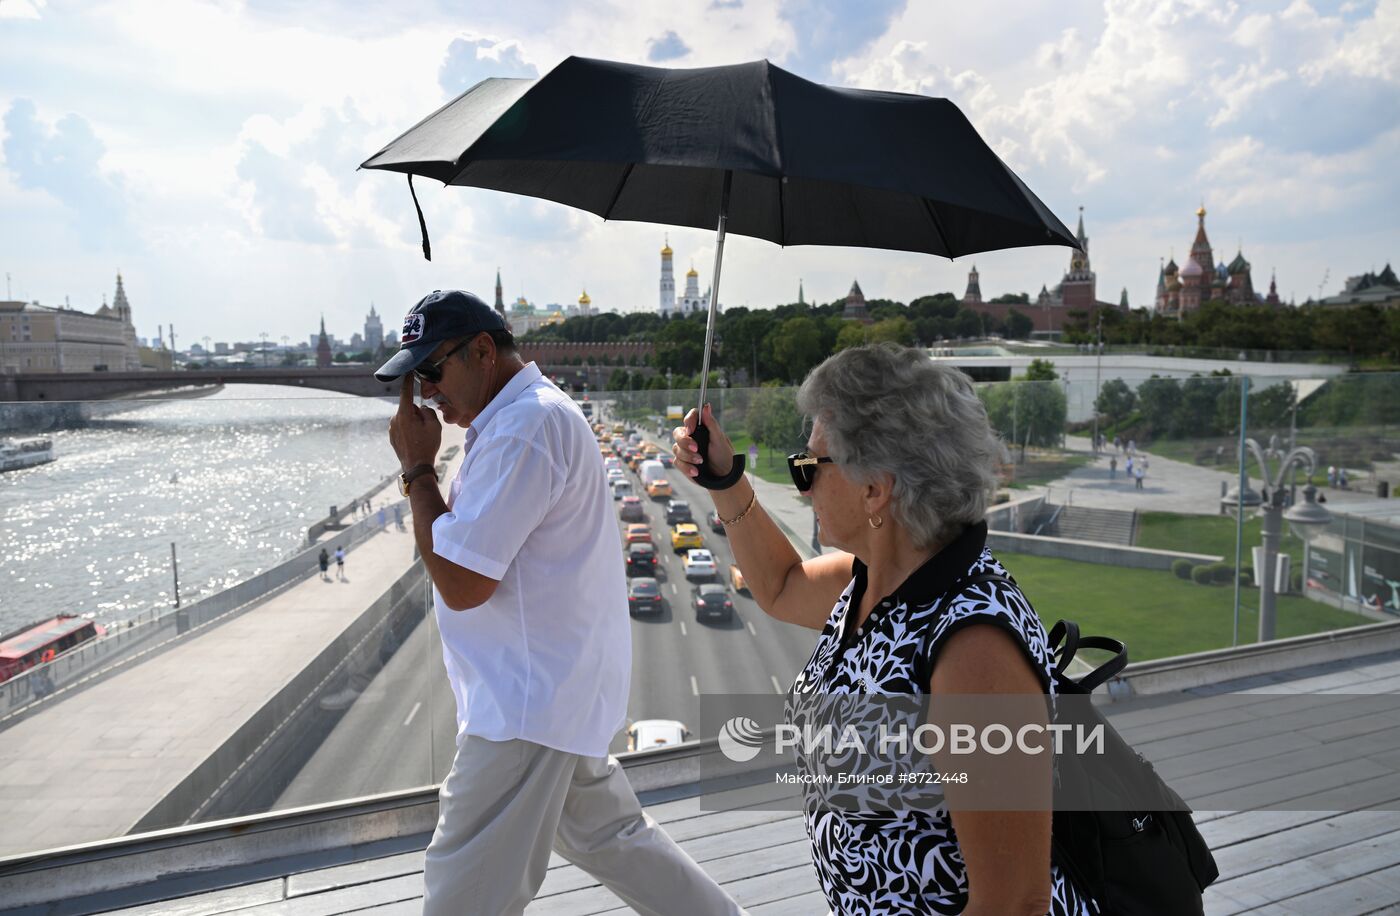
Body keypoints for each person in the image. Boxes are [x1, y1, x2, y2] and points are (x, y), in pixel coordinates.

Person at [673, 343, 1096, 915]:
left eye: (810, 466)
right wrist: (725, 479)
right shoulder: (874, 577)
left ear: (875, 487)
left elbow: (1015, 903)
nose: (801, 485)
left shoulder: (973, 648)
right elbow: (780, 585)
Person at [378, 290, 743, 916]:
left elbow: (463, 584)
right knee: (619, 843)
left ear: (484, 351)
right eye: (416, 378)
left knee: (459, 895)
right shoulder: (522, 419)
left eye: (432, 371)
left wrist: (417, 469)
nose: (427, 392)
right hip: (550, 696)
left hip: (523, 709)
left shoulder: (525, 429)